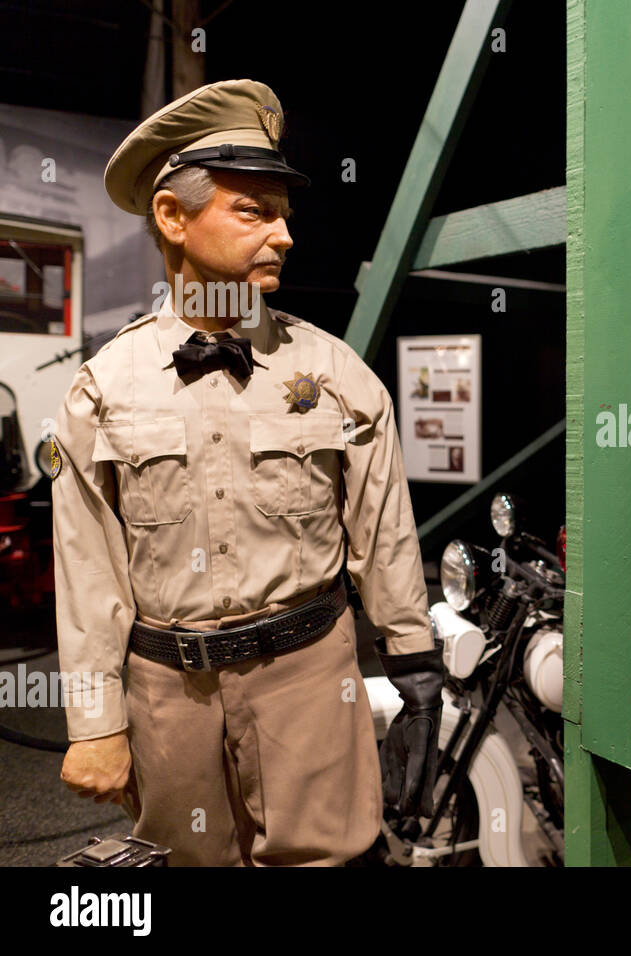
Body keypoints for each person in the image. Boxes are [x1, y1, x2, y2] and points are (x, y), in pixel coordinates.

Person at [50, 79, 446, 866]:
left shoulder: (334, 373)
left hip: (309, 680)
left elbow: (383, 532)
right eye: (254, 210)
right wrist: (96, 723)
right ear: (172, 216)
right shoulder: (105, 385)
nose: (285, 235)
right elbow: (88, 565)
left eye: (285, 213)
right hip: (168, 700)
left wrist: (416, 665)